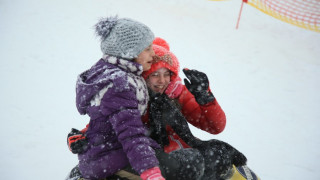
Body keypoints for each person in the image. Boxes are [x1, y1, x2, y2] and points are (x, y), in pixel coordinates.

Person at [68, 37, 250, 180]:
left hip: (183, 154)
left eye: (167, 74)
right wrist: (80, 136)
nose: (162, 81)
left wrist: (206, 98)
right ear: (144, 76)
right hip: (155, 158)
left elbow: (215, 126)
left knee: (216, 156)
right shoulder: (133, 97)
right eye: (155, 75)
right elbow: (112, 122)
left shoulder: (176, 93)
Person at [68, 17, 204, 180]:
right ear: (129, 51)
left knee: (190, 159)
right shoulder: (120, 84)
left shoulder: (110, 73)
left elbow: (107, 120)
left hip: (106, 155)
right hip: (112, 158)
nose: (153, 54)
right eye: (147, 49)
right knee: (188, 166)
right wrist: (151, 172)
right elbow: (130, 134)